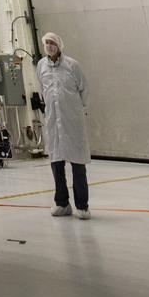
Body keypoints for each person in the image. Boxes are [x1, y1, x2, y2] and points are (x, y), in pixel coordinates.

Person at [37, 31, 91, 219]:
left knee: (78, 164)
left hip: (72, 121)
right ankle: (62, 203)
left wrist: (78, 110)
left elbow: (84, 89)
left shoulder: (71, 65)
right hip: (53, 121)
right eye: (47, 43)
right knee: (56, 163)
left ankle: (82, 206)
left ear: (59, 45)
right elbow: (42, 89)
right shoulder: (41, 66)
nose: (50, 46)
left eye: (53, 43)